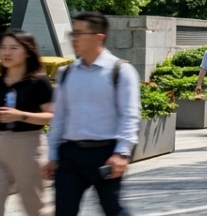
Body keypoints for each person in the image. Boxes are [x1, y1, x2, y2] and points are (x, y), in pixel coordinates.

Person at [44, 12, 140, 216]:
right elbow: (59, 117)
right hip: (70, 155)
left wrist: (122, 153)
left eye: (79, 33)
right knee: (63, 211)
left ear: (98, 37)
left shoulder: (120, 71)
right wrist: (53, 155)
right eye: (73, 33)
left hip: (105, 155)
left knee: (113, 210)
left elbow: (130, 116)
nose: (74, 39)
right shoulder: (67, 73)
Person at [0, 30, 54, 216]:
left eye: (13, 48)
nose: (6, 53)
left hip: (28, 146)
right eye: (2, 47)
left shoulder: (39, 82)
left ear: (27, 52)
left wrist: (21, 115)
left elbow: (53, 116)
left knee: (36, 208)